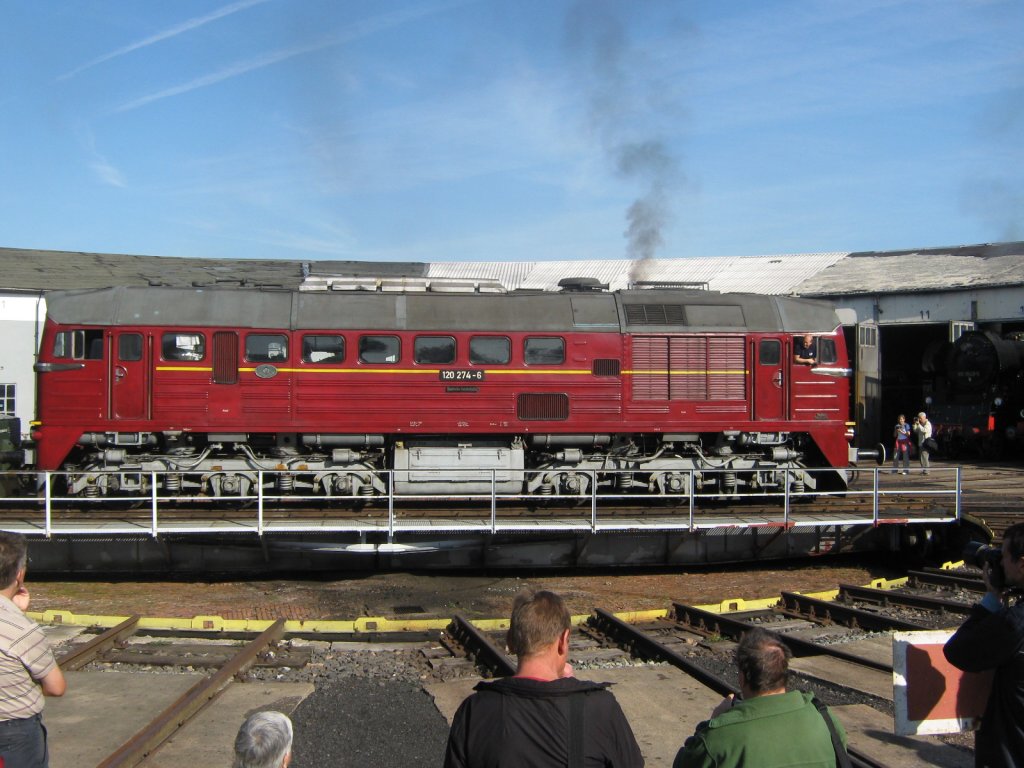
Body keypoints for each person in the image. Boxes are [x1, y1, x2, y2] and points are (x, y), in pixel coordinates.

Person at [444, 590, 644, 768]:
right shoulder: (600, 710)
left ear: (511, 641)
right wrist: (575, 696)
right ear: (563, 641)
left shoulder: (475, 711)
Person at [673, 628, 847, 768]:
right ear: (784, 675)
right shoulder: (826, 720)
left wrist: (710, 725)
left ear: (742, 678)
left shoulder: (717, 738)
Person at [944, 522, 1024, 768]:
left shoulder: (1014, 624)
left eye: (1004, 556)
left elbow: (958, 651)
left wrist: (992, 598)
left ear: (1022, 564)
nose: (1000, 562)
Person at [0, 531, 66, 768]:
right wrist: (16, 615)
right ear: (19, 575)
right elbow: (56, 687)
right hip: (13, 733)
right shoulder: (22, 630)